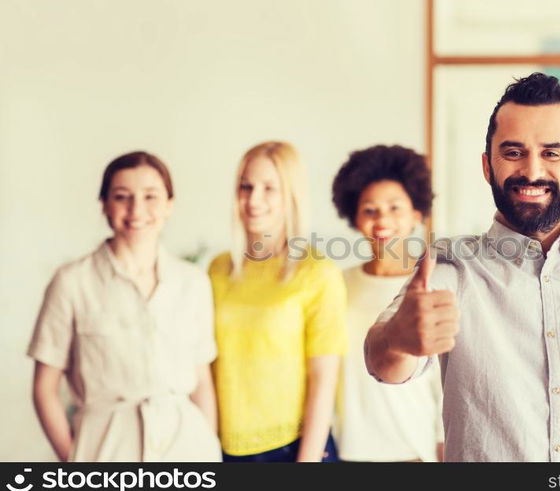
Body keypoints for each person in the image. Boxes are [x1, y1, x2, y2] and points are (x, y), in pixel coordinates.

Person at [364, 73, 560, 462]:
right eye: (513, 152)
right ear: (488, 166)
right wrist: (399, 337)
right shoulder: (448, 268)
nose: (532, 171)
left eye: (551, 153)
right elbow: (383, 364)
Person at [28, 151, 221, 462]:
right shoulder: (72, 282)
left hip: (186, 448)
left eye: (150, 197)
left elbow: (202, 382)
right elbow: (44, 388)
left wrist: (209, 450)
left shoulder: (193, 282)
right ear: (104, 203)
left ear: (169, 204)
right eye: (122, 197)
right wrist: (74, 459)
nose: (136, 210)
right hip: (105, 447)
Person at [209, 141, 347, 462]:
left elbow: (323, 380)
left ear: (291, 195)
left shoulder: (317, 273)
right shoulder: (218, 269)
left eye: (269, 188)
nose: (254, 200)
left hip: (295, 448)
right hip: (226, 448)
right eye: (246, 187)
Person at [331, 145, 444, 462]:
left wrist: (442, 444)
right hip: (347, 452)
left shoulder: (431, 283)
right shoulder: (336, 284)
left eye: (395, 208)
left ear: (416, 215)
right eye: (370, 210)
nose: (382, 220)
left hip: (414, 451)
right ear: (355, 217)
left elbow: (446, 380)